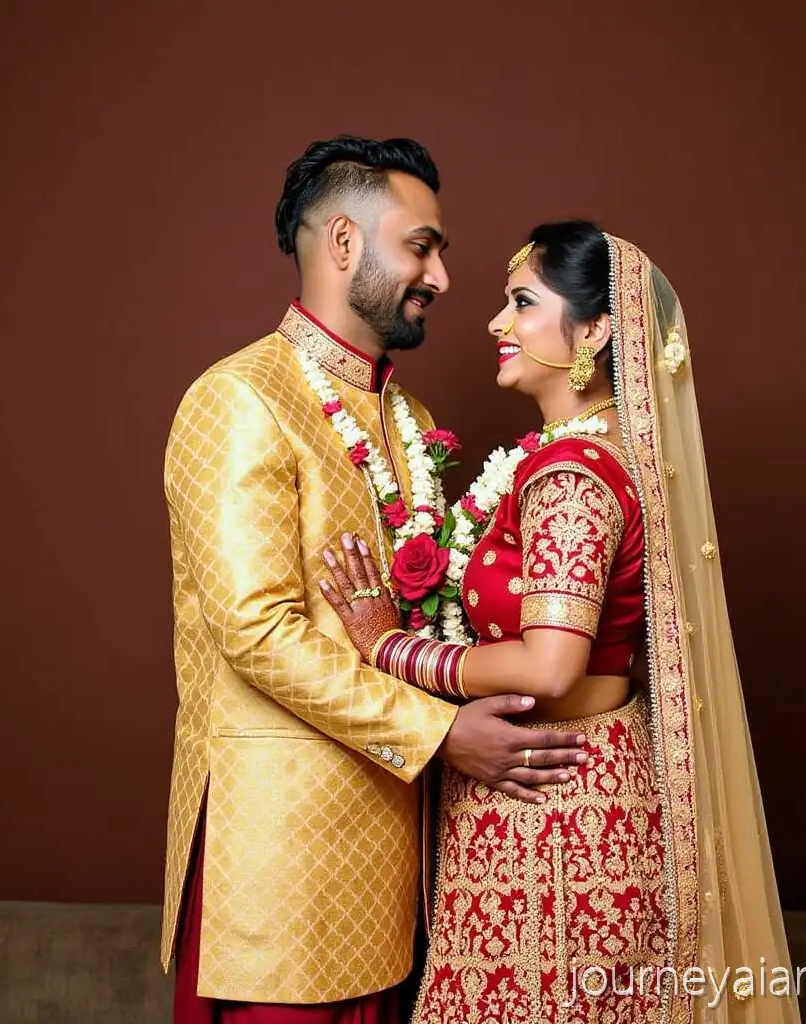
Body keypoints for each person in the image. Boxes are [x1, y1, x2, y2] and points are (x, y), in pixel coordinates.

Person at [320, 222, 802, 1022]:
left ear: (596, 329)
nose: (496, 323)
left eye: (521, 303)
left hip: (556, 819)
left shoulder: (572, 472)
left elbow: (549, 667)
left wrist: (389, 647)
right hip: (576, 790)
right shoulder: (601, 451)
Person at [159, 138, 589, 1024]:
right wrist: (442, 733)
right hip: (280, 877)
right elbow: (256, 633)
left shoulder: (410, 418)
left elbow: (426, 625)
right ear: (345, 242)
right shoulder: (240, 398)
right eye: (421, 247)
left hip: (400, 876)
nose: (442, 277)